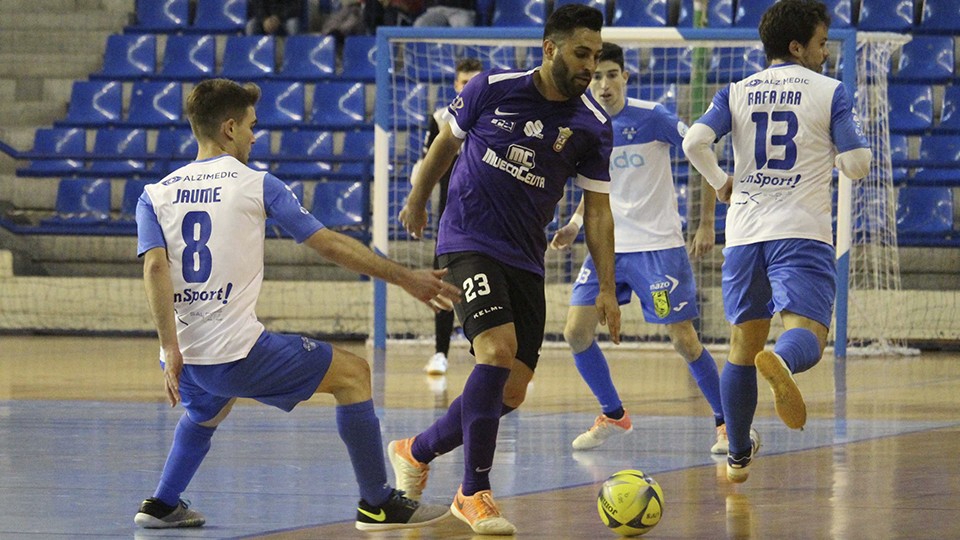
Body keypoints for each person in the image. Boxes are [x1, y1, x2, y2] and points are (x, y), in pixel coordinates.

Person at [133, 78, 460, 531]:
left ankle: (162, 504)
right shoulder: (256, 184)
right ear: (229, 128)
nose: (254, 135)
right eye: (251, 125)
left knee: (209, 406)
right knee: (354, 374)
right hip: (237, 352)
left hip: (187, 357)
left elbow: (154, 270)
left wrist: (170, 350)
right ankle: (377, 503)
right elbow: (326, 243)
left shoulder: (154, 194)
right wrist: (405, 277)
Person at [394, 4, 620, 535]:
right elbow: (444, 146)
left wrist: (607, 285)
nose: (590, 64)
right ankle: (473, 493)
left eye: (595, 54)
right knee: (494, 352)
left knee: (511, 391)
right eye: (580, 53)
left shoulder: (592, 126)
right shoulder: (492, 88)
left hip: (525, 257)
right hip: (468, 238)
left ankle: (415, 450)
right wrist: (418, 199)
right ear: (550, 48)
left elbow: (598, 210)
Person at [682, 0, 871, 483]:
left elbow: (693, 143)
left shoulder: (736, 91)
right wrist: (838, 156)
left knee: (743, 346)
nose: (825, 52)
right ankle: (782, 361)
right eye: (821, 43)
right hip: (800, 230)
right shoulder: (829, 91)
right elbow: (857, 165)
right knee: (808, 333)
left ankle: (738, 453)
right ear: (797, 46)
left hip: (744, 234)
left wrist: (722, 179)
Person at [549, 42, 728, 455]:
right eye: (596, 76)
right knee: (575, 332)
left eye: (612, 74)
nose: (604, 83)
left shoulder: (653, 117)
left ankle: (727, 423)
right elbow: (595, 188)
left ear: (625, 77)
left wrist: (704, 223)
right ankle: (613, 413)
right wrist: (576, 224)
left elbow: (701, 150)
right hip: (607, 246)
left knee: (683, 340)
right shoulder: (584, 124)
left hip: (656, 248)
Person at [420, 57, 484, 376]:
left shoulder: (494, 117)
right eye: (463, 81)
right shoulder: (440, 119)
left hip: (490, 218)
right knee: (443, 286)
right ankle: (440, 353)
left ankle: (503, 359)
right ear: (455, 85)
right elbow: (426, 167)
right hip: (452, 220)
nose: (468, 86)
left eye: (475, 80)